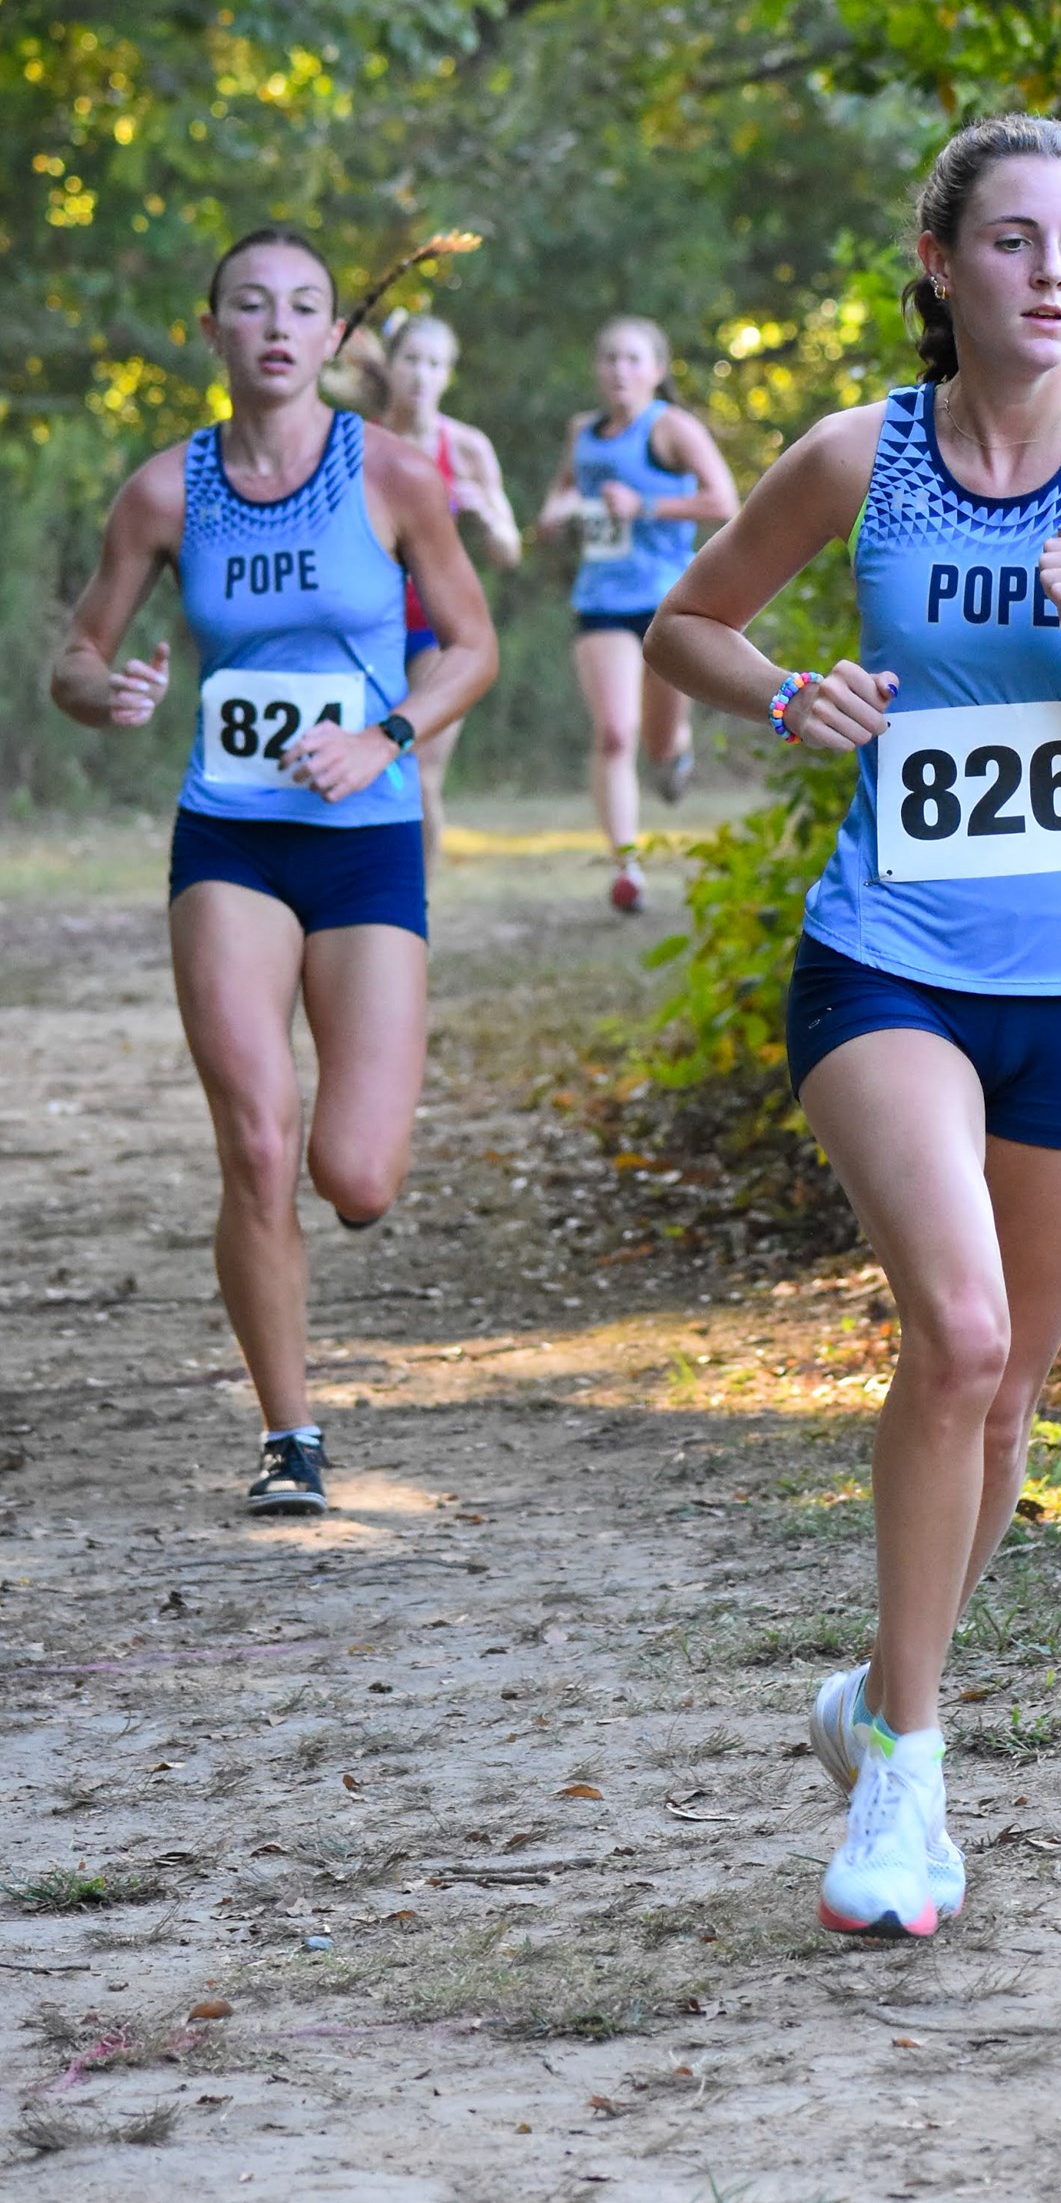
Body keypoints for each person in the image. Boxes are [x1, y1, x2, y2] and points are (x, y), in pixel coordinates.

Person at [645, 113, 1061, 1938]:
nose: (1049, 274)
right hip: (891, 962)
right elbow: (685, 626)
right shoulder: (860, 453)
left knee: (1011, 1393)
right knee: (955, 1335)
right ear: (941, 263)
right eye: (1012, 241)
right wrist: (793, 690)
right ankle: (908, 1791)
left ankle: (876, 1695)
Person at [50, 228, 498, 1520]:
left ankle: (337, 1225)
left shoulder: (395, 475)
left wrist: (385, 735)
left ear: (333, 339)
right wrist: (111, 689)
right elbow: (77, 659)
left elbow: (470, 647)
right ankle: (289, 1436)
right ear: (215, 332)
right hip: (229, 839)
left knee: (355, 1175)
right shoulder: (162, 491)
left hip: (366, 842)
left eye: (304, 305)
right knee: (256, 1140)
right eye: (251, 305)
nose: (279, 326)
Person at [538, 315, 737, 913]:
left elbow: (724, 502)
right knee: (614, 732)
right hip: (600, 602)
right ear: (597, 370)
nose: (619, 370)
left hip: (668, 605)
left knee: (654, 741)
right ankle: (626, 869)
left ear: (655, 370)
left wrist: (645, 503)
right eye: (609, 359)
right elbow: (565, 488)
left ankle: (674, 751)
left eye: (632, 359)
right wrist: (554, 512)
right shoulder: (583, 432)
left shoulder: (670, 427)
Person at [383, 310, 523, 875]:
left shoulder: (466, 448)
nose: (422, 375)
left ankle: (412, 909)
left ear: (449, 375)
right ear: (390, 367)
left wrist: (484, 513)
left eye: (436, 364)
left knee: (418, 770)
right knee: (371, 771)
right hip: (368, 626)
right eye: (412, 360)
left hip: (441, 628)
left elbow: (509, 551)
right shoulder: (360, 442)